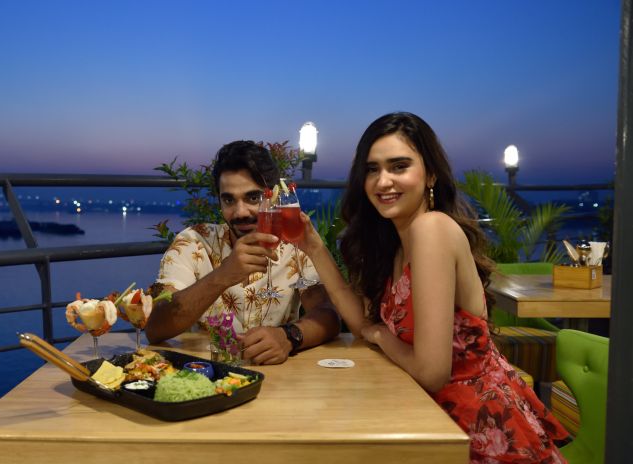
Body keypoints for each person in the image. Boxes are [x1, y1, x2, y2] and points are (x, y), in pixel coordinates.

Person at [294, 113, 568, 463]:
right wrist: (314, 247)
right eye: (372, 169)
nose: (383, 181)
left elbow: (431, 372)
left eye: (399, 166)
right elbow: (362, 321)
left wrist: (381, 337)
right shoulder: (397, 244)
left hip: (472, 430)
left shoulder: (431, 230)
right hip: (429, 415)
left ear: (431, 175)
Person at [145, 140, 340, 365]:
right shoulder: (192, 242)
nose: (240, 212)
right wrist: (222, 276)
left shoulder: (295, 244)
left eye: (253, 198)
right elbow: (155, 327)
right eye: (229, 199)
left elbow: (328, 314)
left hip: (278, 372)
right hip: (208, 372)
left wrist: (289, 336)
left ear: (274, 197)